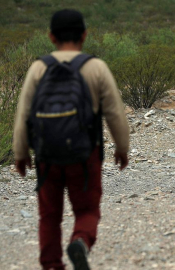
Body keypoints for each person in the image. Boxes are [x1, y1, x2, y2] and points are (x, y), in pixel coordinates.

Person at [13, 9, 130, 270]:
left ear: (51, 36)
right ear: (85, 36)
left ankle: (52, 265)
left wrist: (21, 154)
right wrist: (122, 149)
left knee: (49, 217)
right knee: (87, 211)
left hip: (46, 156)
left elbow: (23, 115)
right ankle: (80, 240)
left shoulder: (38, 68)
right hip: (84, 155)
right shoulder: (95, 67)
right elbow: (115, 113)